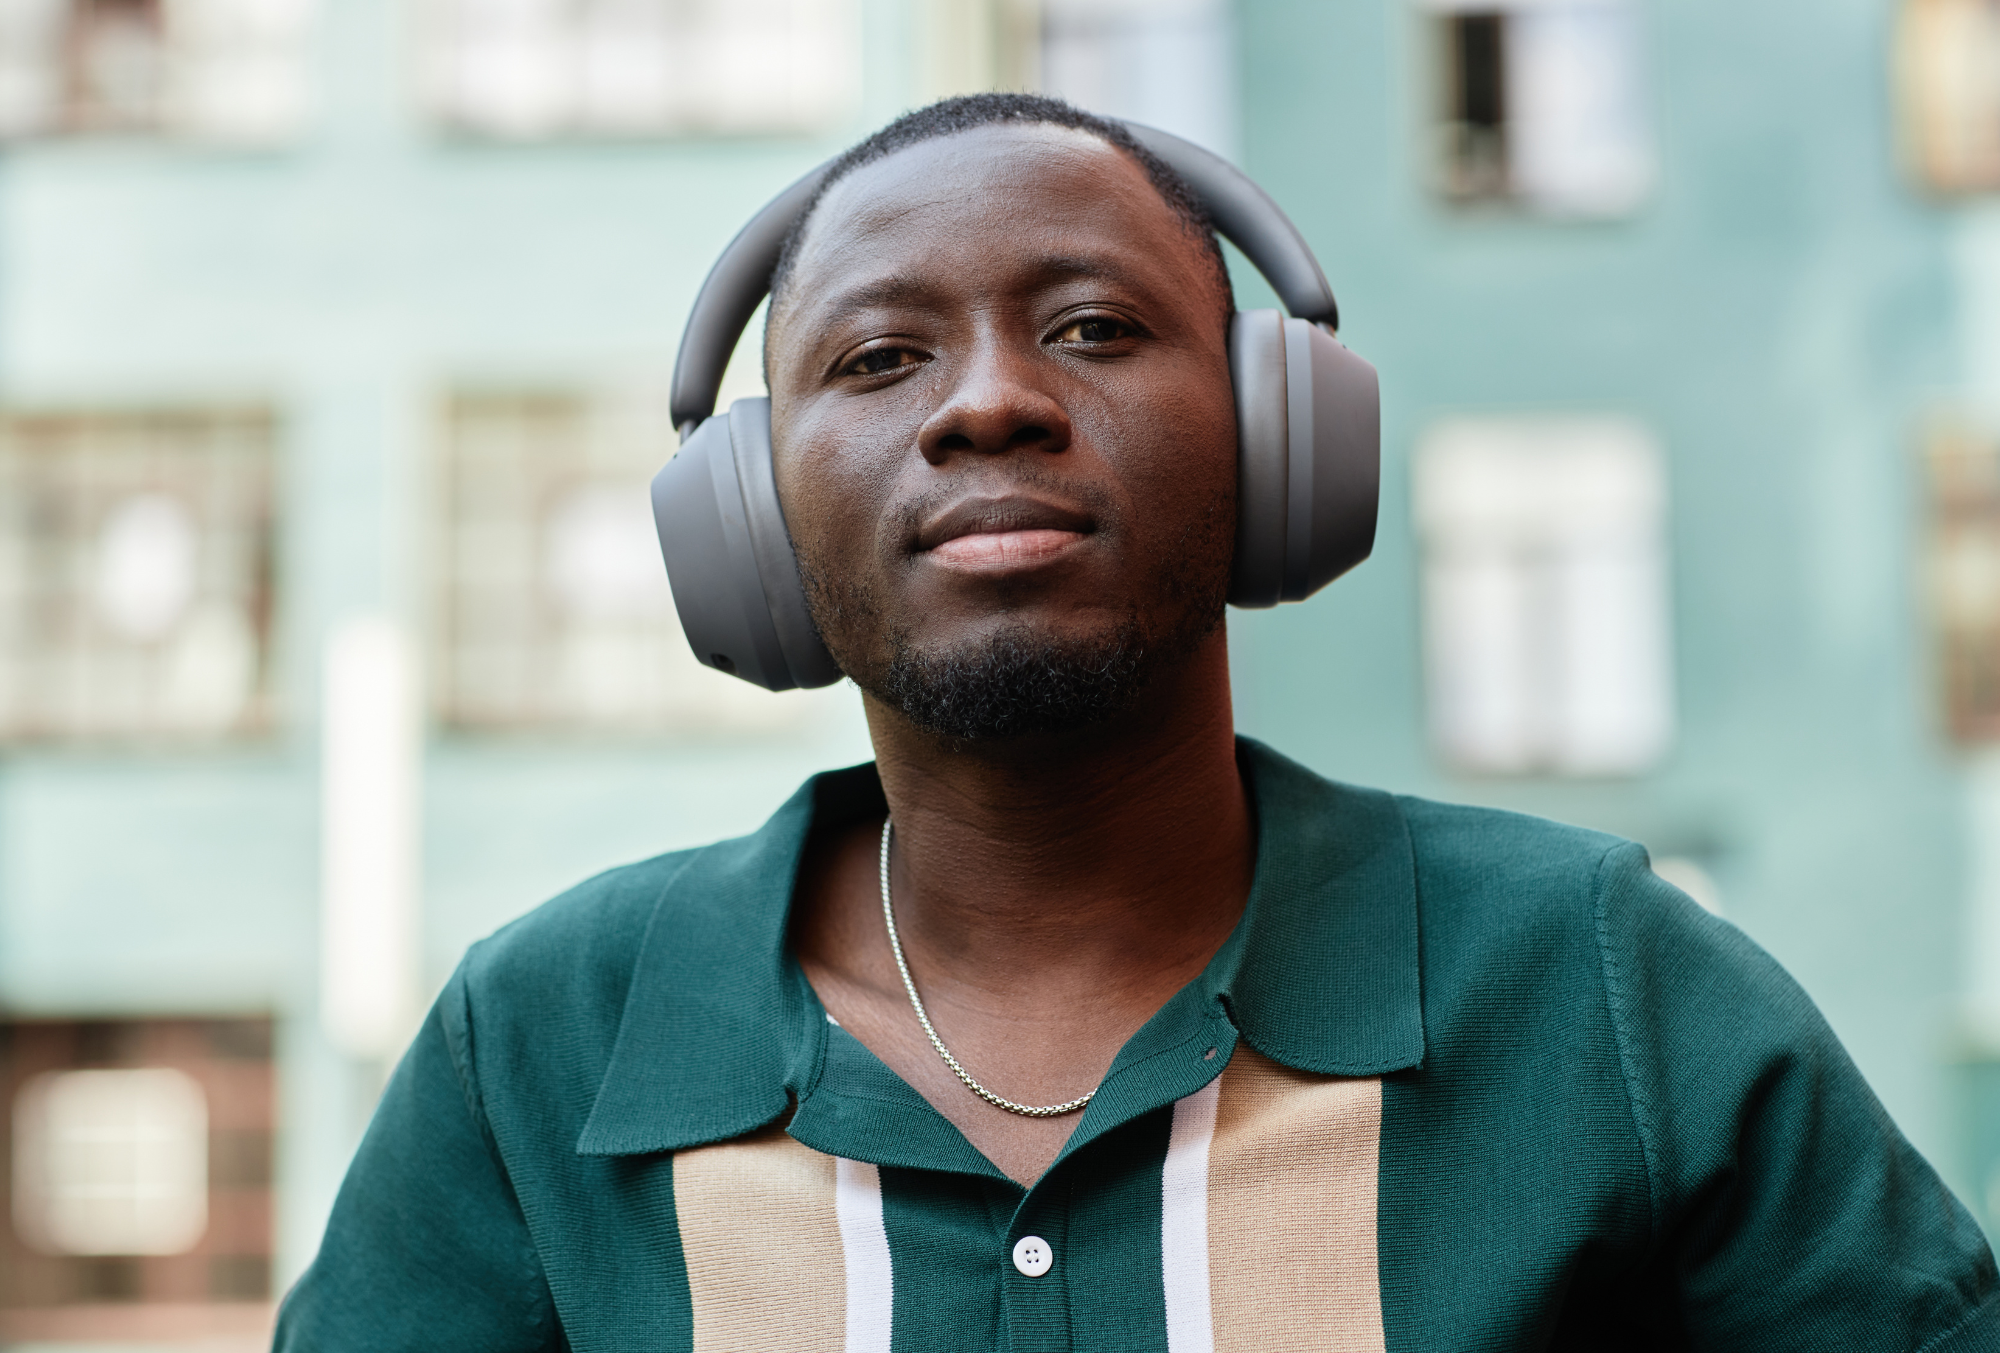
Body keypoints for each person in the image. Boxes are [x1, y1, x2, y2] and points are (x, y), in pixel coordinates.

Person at [275, 94, 2000, 1351]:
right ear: (748, 515)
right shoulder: (547, 1040)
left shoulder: (1599, 981)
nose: (993, 401)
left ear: (1278, 440)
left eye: (1094, 329)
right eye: (878, 360)